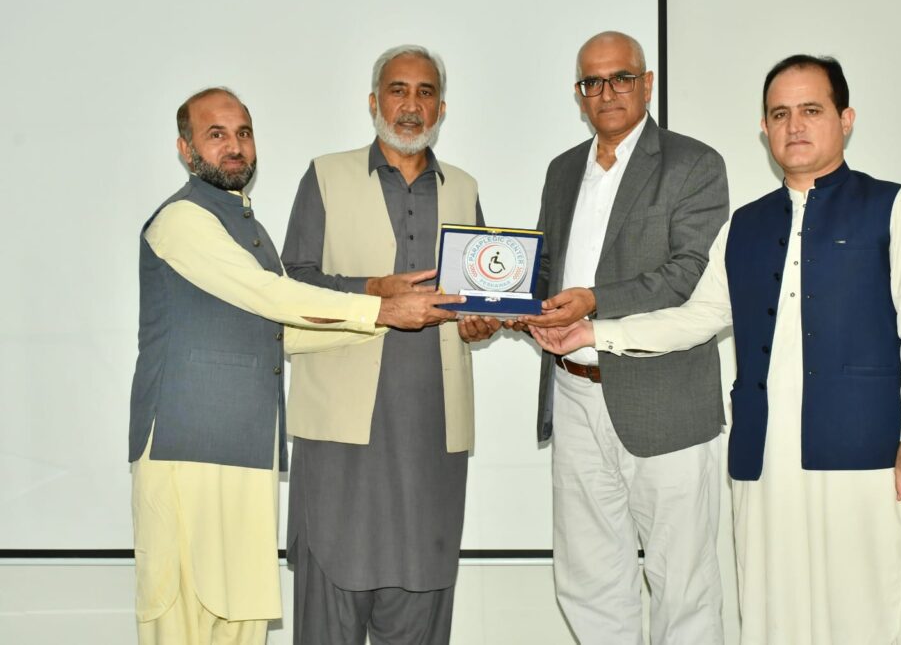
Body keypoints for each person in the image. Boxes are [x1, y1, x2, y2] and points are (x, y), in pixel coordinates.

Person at [531, 54, 901, 644]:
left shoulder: (893, 209)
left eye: (811, 110)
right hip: (764, 455)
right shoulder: (745, 226)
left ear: (845, 119)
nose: (794, 126)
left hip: (865, 453)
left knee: (865, 612)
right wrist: (593, 335)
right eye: (780, 114)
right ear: (764, 128)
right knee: (772, 612)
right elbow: (697, 318)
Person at [128, 87, 461, 645]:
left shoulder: (247, 226)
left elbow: (282, 332)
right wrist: (381, 307)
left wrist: (396, 315)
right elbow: (275, 297)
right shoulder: (183, 220)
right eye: (216, 135)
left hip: (246, 451)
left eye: (243, 132)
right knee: (183, 620)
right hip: (184, 451)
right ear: (185, 149)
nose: (235, 146)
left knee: (241, 621)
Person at [516, 31, 730, 644]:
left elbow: (689, 273)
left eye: (621, 78)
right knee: (588, 580)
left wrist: (594, 301)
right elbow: (546, 266)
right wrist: (506, 303)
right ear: (578, 93)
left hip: (664, 397)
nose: (606, 92)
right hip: (574, 393)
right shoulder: (563, 170)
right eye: (592, 81)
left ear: (647, 83)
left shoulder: (694, 164)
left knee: (682, 582)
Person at [281, 45, 499, 645]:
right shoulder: (326, 175)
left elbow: (478, 294)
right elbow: (292, 284)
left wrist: (480, 323)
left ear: (442, 109)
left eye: (425, 92)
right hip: (341, 436)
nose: (411, 104)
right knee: (331, 599)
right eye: (398, 90)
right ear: (373, 101)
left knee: (421, 598)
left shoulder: (464, 188)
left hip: (431, 437)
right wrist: (372, 291)